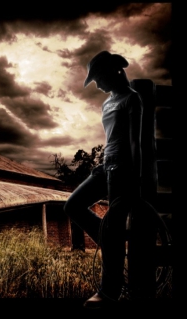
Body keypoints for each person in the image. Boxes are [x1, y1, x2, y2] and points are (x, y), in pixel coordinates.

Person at [63, 51, 151, 308]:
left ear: (114, 71)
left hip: (124, 169)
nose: (97, 85)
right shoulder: (107, 103)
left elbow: (136, 142)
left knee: (113, 226)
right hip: (105, 165)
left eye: (98, 78)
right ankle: (109, 238)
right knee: (73, 205)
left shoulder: (132, 100)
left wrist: (137, 177)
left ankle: (109, 293)